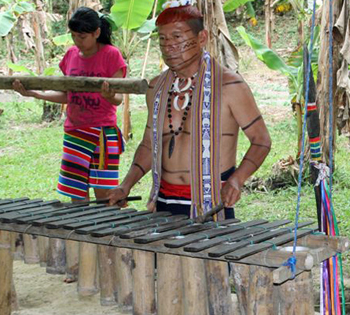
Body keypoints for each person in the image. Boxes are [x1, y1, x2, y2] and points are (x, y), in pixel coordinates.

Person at [106, 0, 270, 220]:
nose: (168, 47)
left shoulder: (230, 86)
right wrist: (125, 186)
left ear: (202, 38)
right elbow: (149, 145)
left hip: (211, 205)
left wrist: (236, 179)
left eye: (177, 37)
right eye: (162, 39)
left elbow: (261, 140)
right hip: (164, 202)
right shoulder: (156, 87)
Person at [13, 7, 128, 203]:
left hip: (101, 132)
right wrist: (34, 93)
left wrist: (108, 96)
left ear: (96, 33)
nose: (77, 41)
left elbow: (118, 99)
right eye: (74, 36)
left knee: (105, 196)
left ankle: (108, 233)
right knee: (77, 196)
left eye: (82, 36)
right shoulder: (71, 55)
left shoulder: (111, 55)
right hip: (75, 132)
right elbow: (67, 95)